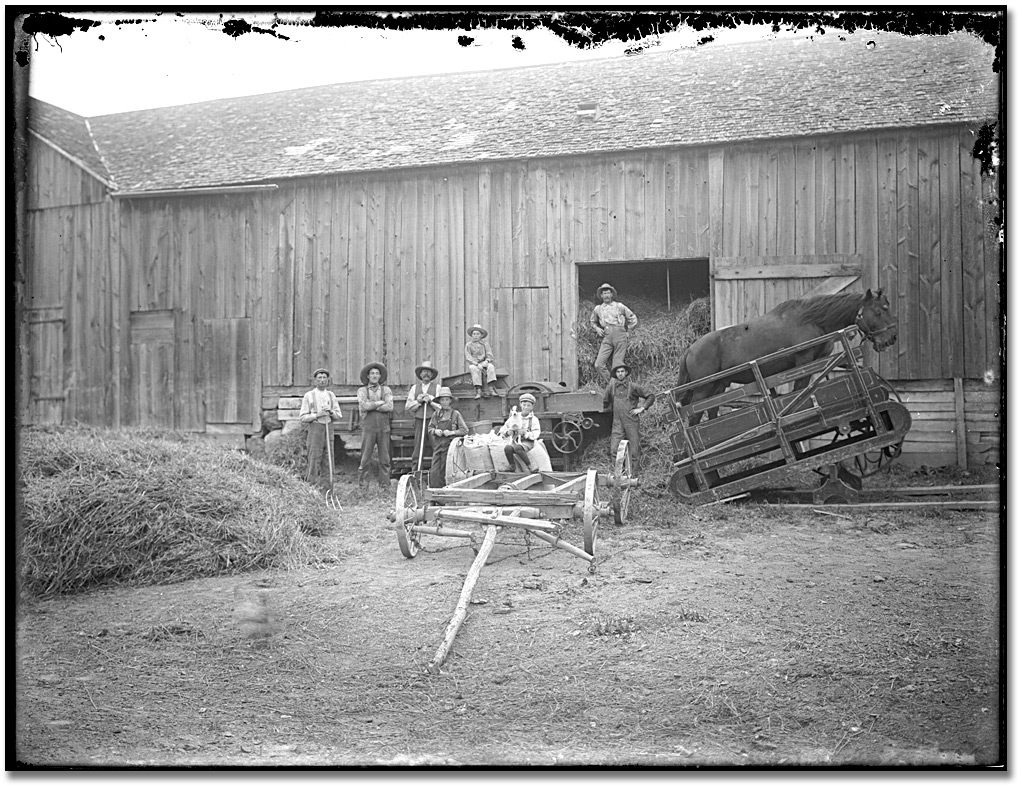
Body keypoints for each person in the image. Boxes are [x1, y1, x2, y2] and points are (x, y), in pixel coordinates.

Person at [603, 364, 655, 475]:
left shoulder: (633, 386)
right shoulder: (611, 388)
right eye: (618, 372)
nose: (620, 373)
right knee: (614, 450)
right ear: (615, 374)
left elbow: (650, 396)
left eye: (622, 371)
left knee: (634, 450)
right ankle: (618, 476)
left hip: (631, 421)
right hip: (617, 423)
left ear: (626, 373)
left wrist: (642, 408)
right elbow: (604, 402)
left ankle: (633, 476)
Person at [298, 368, 342, 494]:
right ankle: (311, 490)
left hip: (328, 428)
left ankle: (327, 491)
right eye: (319, 378)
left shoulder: (331, 395)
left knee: (328, 459)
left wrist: (331, 412)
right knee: (314, 458)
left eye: (324, 378)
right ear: (315, 380)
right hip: (315, 429)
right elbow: (302, 417)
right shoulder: (309, 396)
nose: (322, 380)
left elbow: (338, 414)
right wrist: (317, 415)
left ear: (328, 380)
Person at [357, 361, 394, 488]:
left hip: (384, 427)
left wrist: (372, 405)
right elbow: (364, 406)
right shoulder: (362, 390)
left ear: (380, 376)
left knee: (385, 458)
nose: (374, 375)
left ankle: (384, 486)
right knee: (365, 457)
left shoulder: (386, 390)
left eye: (377, 373)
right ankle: (363, 487)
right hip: (368, 428)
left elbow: (389, 406)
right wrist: (379, 403)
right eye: (372, 373)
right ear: (368, 376)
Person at [590, 283, 638, 382]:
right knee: (598, 364)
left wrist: (628, 331)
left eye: (608, 293)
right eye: (604, 293)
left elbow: (633, 318)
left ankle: (617, 387)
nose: (606, 295)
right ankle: (613, 384)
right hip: (607, 336)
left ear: (612, 294)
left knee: (617, 364)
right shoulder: (598, 309)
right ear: (601, 296)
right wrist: (597, 328)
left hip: (620, 334)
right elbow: (592, 321)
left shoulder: (619, 306)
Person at [404, 360, 442, 472]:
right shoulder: (414, 388)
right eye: (424, 371)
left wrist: (431, 401)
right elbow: (408, 407)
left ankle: (437, 472)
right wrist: (419, 402)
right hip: (419, 421)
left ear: (432, 375)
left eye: (429, 372)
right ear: (420, 374)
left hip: (434, 422)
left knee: (436, 446)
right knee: (418, 447)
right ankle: (416, 472)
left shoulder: (437, 388)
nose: (426, 374)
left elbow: (441, 407)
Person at [427, 387, 468, 488]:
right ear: (439, 401)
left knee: (446, 470)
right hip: (438, 446)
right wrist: (435, 431)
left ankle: (447, 493)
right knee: (434, 471)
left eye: (446, 399)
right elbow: (430, 428)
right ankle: (435, 494)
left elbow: (465, 430)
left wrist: (451, 432)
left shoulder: (455, 414)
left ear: (450, 401)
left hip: (450, 448)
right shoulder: (436, 414)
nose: (444, 402)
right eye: (442, 400)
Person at [499, 393, 542, 472]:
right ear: (520, 405)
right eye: (524, 405)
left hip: (527, 442)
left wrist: (525, 433)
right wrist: (507, 433)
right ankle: (512, 466)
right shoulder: (514, 417)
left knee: (517, 447)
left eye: (528, 405)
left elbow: (536, 433)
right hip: (515, 440)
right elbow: (503, 428)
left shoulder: (534, 419)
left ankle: (530, 466)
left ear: (532, 407)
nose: (526, 407)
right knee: (508, 448)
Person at [464, 324, 498, 399]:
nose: (476, 336)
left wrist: (487, 361)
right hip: (474, 363)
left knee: (491, 367)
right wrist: (476, 364)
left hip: (484, 362)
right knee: (473, 368)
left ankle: (491, 388)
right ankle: (478, 390)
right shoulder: (468, 345)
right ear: (471, 335)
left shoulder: (485, 344)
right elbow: (468, 357)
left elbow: (489, 355)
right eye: (474, 334)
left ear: (481, 335)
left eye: (478, 334)